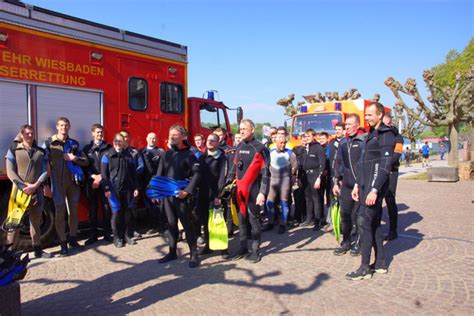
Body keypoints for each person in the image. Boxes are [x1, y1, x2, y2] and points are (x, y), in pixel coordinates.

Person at [346, 102, 397, 280]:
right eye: (365, 115)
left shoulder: (386, 134)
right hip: (364, 186)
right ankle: (381, 262)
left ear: (380, 115)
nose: (367, 117)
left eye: (370, 115)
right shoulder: (371, 134)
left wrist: (375, 190)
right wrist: (357, 185)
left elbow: (385, 165)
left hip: (375, 187)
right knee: (373, 223)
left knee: (363, 222)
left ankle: (364, 268)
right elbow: (363, 164)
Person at [156, 125, 201, 268]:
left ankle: (194, 254)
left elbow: (197, 174)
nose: (172, 137)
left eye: (175, 135)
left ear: (183, 137)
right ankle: (172, 252)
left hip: (182, 196)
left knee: (187, 225)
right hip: (167, 196)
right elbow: (159, 173)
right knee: (171, 224)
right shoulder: (166, 154)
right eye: (170, 134)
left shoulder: (189, 154)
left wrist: (187, 191)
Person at [43, 117, 88, 256]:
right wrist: (45, 185)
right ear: (57, 126)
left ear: (69, 127)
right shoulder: (49, 143)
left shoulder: (74, 143)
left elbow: (85, 162)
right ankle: (63, 243)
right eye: (61, 125)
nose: (64, 128)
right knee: (59, 212)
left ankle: (73, 238)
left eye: (66, 125)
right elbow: (43, 165)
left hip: (72, 182)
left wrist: (74, 158)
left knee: (73, 212)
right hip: (57, 183)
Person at [5, 125, 51, 258]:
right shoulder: (14, 150)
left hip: (36, 191)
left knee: (36, 222)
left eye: (32, 133)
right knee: (14, 223)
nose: (30, 136)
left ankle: (37, 249)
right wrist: (24, 186)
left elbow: (45, 171)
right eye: (27, 133)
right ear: (22, 134)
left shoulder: (41, 152)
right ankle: (10, 253)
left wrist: (36, 185)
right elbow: (10, 172)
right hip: (19, 192)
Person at [228, 119, 270, 263]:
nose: (241, 131)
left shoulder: (260, 148)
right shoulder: (239, 146)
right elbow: (234, 168)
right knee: (241, 221)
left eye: (244, 129)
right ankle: (242, 248)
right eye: (240, 129)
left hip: (254, 191)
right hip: (239, 192)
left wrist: (262, 193)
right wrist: (226, 185)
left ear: (252, 129)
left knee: (253, 221)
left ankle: (255, 250)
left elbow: (266, 173)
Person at [332, 114, 365, 256]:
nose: (347, 128)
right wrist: (335, 181)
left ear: (357, 125)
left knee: (357, 217)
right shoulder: (343, 143)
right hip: (346, 184)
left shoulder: (363, 141)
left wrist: (359, 183)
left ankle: (358, 242)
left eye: (350, 125)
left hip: (360, 184)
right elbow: (338, 162)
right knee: (345, 215)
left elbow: (364, 165)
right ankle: (346, 242)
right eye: (346, 125)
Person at [101, 133, 139, 248]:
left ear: (124, 143)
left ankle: (126, 236)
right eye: (116, 141)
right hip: (113, 190)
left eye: (120, 141)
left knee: (127, 212)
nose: (118, 143)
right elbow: (104, 175)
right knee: (116, 213)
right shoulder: (107, 156)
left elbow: (134, 173)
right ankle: (116, 237)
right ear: (113, 142)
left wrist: (136, 187)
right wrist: (106, 189)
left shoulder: (129, 156)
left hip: (128, 189)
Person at [197, 133, 228, 256]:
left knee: (219, 222)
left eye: (212, 140)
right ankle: (208, 246)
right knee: (205, 221)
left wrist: (218, 195)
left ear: (218, 142)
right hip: (203, 194)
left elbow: (222, 177)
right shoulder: (201, 157)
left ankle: (224, 249)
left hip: (215, 194)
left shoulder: (222, 158)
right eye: (208, 140)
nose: (209, 142)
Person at [82, 123, 112, 246]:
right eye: (97, 132)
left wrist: (101, 177)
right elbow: (84, 166)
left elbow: (111, 165)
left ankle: (107, 234)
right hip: (91, 183)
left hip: (105, 182)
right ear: (93, 133)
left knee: (106, 209)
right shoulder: (86, 149)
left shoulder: (109, 148)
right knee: (92, 210)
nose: (100, 134)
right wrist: (93, 176)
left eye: (101, 132)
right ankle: (93, 235)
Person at [264, 134, 298, 234]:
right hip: (273, 180)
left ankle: (283, 224)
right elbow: (266, 166)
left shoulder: (290, 153)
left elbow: (295, 166)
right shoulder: (270, 153)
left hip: (285, 180)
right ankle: (271, 222)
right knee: (269, 202)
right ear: (276, 143)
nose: (283, 145)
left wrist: (293, 176)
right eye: (281, 143)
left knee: (284, 202)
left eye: (284, 143)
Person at [119, 130, 145, 241]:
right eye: (122, 137)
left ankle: (132, 230)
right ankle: (120, 231)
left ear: (129, 138)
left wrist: (130, 174)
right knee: (119, 209)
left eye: (126, 137)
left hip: (133, 184)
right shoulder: (115, 151)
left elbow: (141, 166)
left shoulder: (134, 152)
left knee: (132, 208)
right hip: (119, 186)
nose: (124, 139)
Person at [382, 113, 404, 241]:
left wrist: (386, 164)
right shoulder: (378, 135)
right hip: (378, 171)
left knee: (390, 199)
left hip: (391, 171)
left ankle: (393, 230)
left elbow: (397, 153)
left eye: (387, 123)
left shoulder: (397, 137)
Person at [299, 129, 326, 230]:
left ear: (314, 136)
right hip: (306, 176)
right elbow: (301, 164)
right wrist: (300, 178)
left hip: (315, 175)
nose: (306, 138)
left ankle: (318, 221)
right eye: (305, 137)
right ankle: (309, 219)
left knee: (316, 199)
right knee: (308, 198)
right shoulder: (305, 148)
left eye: (309, 136)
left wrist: (319, 178)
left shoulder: (318, 148)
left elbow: (322, 164)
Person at [140, 132, 166, 235]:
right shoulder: (141, 152)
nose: (152, 140)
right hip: (146, 183)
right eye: (150, 138)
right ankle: (152, 226)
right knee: (149, 206)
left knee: (159, 205)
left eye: (154, 138)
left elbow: (164, 168)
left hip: (158, 184)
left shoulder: (161, 152)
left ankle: (162, 227)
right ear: (146, 139)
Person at [325, 123, 345, 232]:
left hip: (342, 176)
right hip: (332, 174)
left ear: (344, 131)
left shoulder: (346, 142)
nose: (337, 131)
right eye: (336, 129)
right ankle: (332, 222)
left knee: (342, 200)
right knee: (332, 199)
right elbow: (328, 157)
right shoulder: (331, 142)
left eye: (339, 129)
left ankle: (343, 223)